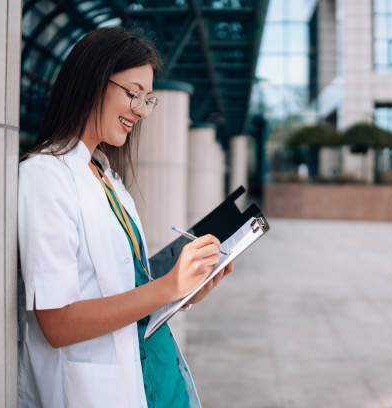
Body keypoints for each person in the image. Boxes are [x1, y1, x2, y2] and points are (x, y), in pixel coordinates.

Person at [17, 27, 233, 408]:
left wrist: (183, 290)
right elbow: (57, 323)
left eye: (148, 99)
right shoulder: (44, 176)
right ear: (92, 81)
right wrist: (167, 287)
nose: (142, 111)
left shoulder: (105, 176)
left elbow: (123, 291)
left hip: (151, 378)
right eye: (133, 94)